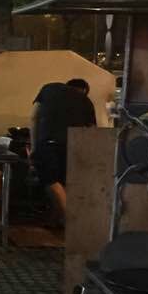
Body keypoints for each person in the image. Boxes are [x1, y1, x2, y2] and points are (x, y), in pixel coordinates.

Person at [31, 78, 98, 223]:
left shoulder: (49, 88)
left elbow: (34, 117)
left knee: (50, 180)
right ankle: (59, 219)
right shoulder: (86, 101)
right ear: (84, 91)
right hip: (73, 145)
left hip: (49, 142)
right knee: (62, 181)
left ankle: (71, 221)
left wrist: (34, 146)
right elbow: (92, 131)